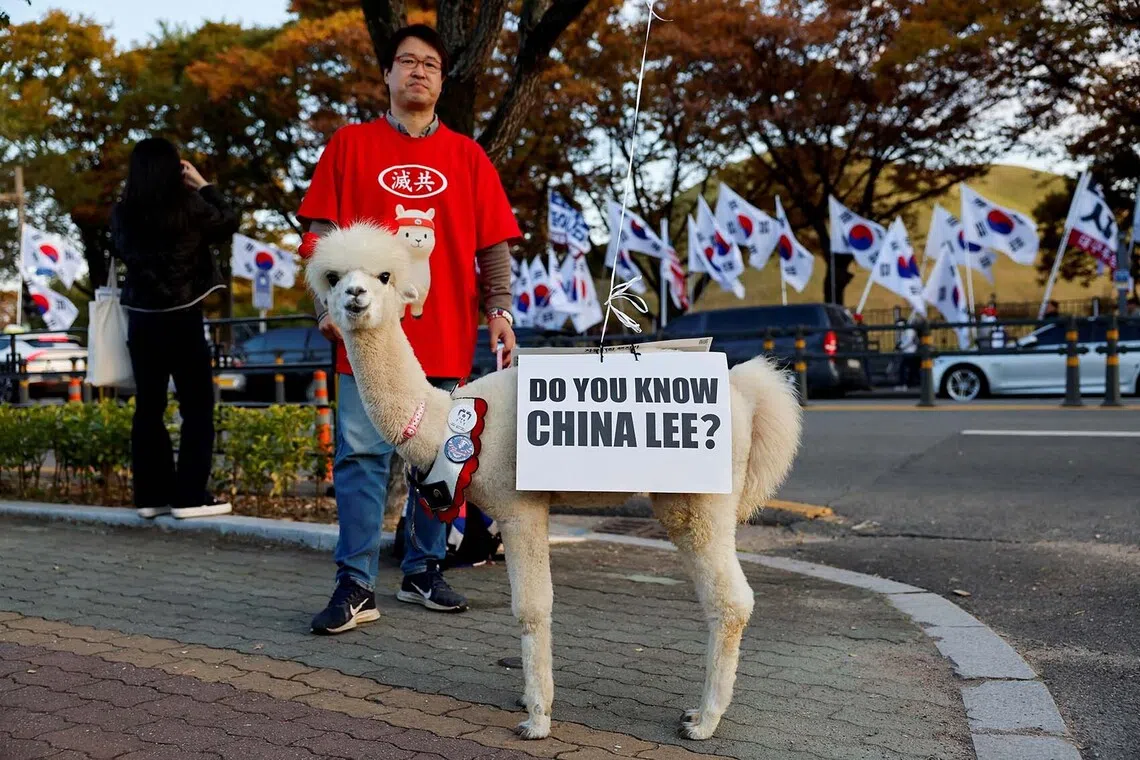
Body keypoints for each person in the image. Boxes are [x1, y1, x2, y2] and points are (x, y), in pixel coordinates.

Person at [297, 24, 521, 636]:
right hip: (364, 336)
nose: (419, 71)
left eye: (430, 64)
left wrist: (499, 312)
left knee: (440, 461)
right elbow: (317, 237)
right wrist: (326, 307)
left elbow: (492, 246)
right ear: (388, 76)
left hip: (443, 331)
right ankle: (356, 583)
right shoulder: (349, 146)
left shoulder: (468, 156)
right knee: (362, 457)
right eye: (407, 62)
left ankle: (425, 567)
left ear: (442, 81)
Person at [110, 137, 238, 520]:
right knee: (196, 407)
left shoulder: (122, 213)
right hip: (183, 316)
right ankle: (189, 497)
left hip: (142, 319)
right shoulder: (191, 207)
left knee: (148, 408)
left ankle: (151, 496)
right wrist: (204, 184)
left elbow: (122, 251)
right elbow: (230, 220)